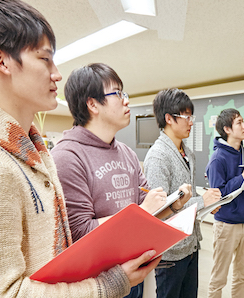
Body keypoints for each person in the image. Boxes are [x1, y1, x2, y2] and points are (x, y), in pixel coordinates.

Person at [0, 0, 159, 297]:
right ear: (1, 61)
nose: (56, 73)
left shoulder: (31, 153)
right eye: (44, 58)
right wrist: (109, 284)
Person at [51, 64, 191, 298]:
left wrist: (172, 205)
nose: (126, 101)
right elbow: (79, 232)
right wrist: (140, 212)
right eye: (117, 93)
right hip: (96, 285)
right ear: (92, 104)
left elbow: (147, 204)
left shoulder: (126, 153)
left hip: (132, 273)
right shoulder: (67, 156)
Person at [143, 88, 222, 298]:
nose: (191, 122)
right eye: (186, 117)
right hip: (170, 253)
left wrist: (209, 206)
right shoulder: (158, 156)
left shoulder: (188, 153)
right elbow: (159, 212)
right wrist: (202, 201)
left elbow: (189, 197)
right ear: (169, 118)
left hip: (191, 244)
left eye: (191, 116)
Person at [206, 108, 244, 298]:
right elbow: (218, 196)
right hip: (226, 226)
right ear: (227, 129)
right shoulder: (217, 159)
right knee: (219, 278)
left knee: (241, 276)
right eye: (239, 122)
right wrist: (243, 177)